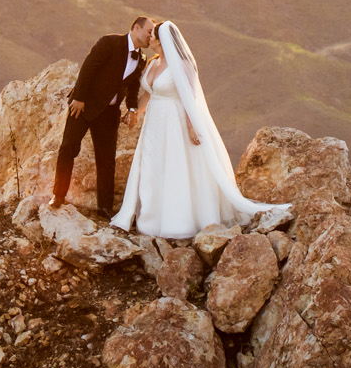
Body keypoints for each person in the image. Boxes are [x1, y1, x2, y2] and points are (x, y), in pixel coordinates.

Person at [111, 20, 278, 238]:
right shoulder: (152, 64)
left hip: (175, 122)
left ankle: (178, 220)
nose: (149, 37)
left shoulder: (182, 65)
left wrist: (191, 127)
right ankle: (152, 218)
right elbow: (149, 94)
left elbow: (191, 98)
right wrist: (134, 114)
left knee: (176, 166)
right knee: (153, 167)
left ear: (162, 40)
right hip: (154, 125)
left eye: (153, 35)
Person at [51, 16, 156, 214]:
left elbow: (132, 87)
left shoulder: (141, 59)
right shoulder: (110, 42)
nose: (151, 36)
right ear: (136, 28)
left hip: (109, 113)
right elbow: (88, 68)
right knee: (68, 147)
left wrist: (132, 109)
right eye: (149, 31)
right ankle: (58, 195)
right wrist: (79, 98)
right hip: (84, 106)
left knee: (107, 159)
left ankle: (105, 207)